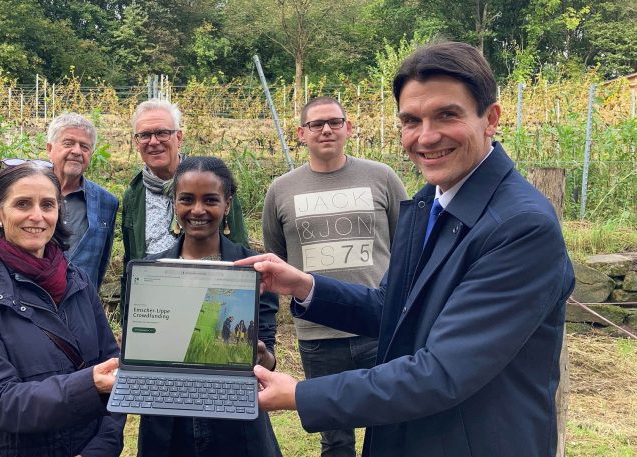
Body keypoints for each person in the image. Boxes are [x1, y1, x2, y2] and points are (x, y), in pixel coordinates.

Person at [237, 41, 575, 457]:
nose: (426, 136)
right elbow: (397, 309)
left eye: (447, 115)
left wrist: (302, 395)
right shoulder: (431, 202)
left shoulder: (521, 227)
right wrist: (306, 286)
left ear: (491, 119)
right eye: (411, 120)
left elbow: (442, 372)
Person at [0, 158, 125, 457]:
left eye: (47, 205)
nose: (37, 216)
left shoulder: (78, 281)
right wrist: (89, 384)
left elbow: (115, 371)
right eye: (22, 204)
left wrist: (101, 448)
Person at [262, 96, 408, 456]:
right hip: (318, 333)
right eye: (316, 124)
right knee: (334, 434)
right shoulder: (281, 189)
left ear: (349, 128)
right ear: (301, 133)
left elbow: (406, 243)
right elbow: (278, 256)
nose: (326, 129)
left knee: (388, 425)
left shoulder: (382, 177)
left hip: (377, 325)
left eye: (334, 122)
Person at [137, 156, 282, 457]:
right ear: (174, 202)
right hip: (167, 417)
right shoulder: (151, 270)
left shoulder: (255, 271)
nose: (198, 210)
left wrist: (262, 354)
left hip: (234, 417)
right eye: (187, 199)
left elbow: (269, 362)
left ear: (227, 204)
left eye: (210, 200)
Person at [121, 99, 249, 304]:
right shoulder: (134, 195)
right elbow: (131, 259)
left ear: (178, 137)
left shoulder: (212, 182)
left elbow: (239, 246)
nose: (153, 142)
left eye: (162, 132)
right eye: (144, 135)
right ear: (137, 142)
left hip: (211, 294)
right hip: (155, 298)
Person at [46, 113, 119, 290]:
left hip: (80, 306)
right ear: (50, 149)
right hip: (30, 305)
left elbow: (100, 265)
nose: (77, 151)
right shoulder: (25, 191)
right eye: (69, 143)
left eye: (84, 146)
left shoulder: (106, 202)